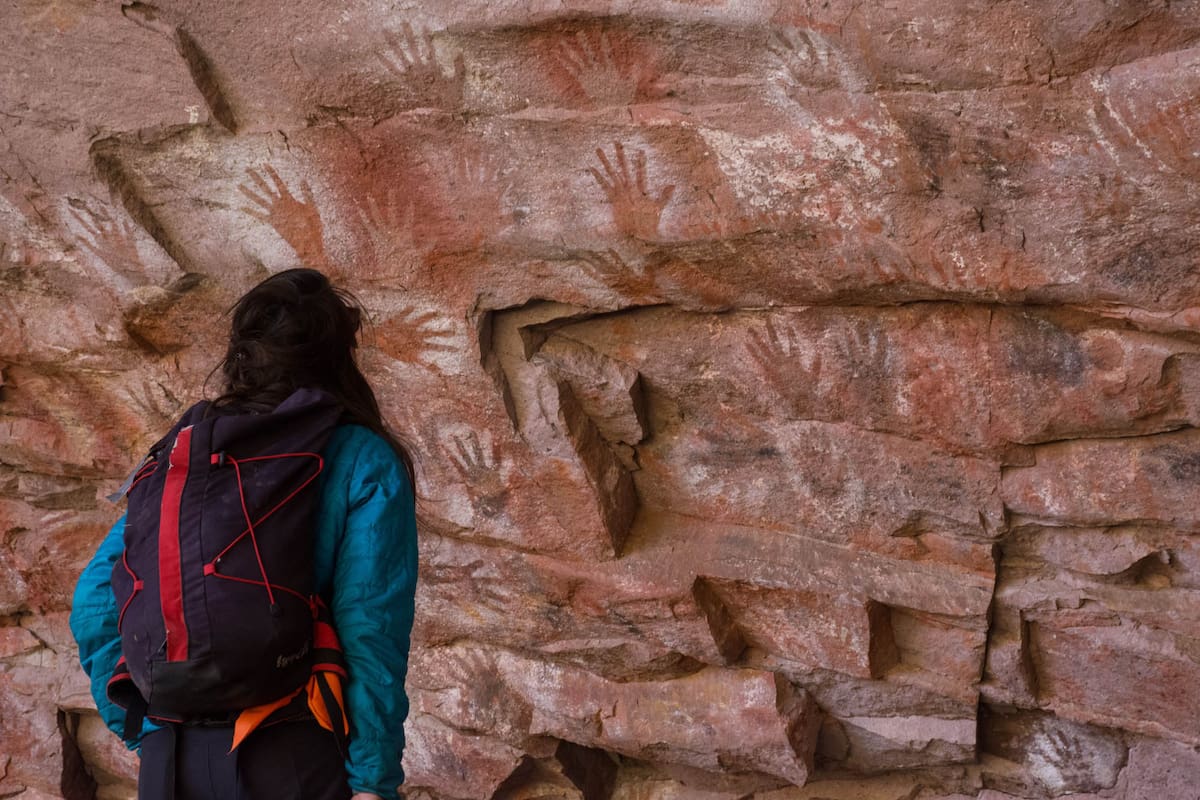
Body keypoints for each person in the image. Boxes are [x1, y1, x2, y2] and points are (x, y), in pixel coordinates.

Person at [69, 268, 418, 799]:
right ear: (338, 357)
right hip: (292, 754)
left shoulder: (184, 460)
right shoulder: (358, 457)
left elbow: (94, 600)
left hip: (170, 764)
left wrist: (146, 733)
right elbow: (369, 625)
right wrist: (373, 780)